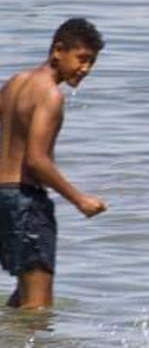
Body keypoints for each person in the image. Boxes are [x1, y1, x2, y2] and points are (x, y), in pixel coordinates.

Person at [0, 18, 108, 309]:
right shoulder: (50, 95)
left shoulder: (15, 83)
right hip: (26, 201)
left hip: (3, 197)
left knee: (24, 295)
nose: (85, 69)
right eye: (82, 59)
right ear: (58, 50)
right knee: (38, 307)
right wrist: (79, 200)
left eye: (92, 62)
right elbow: (36, 160)